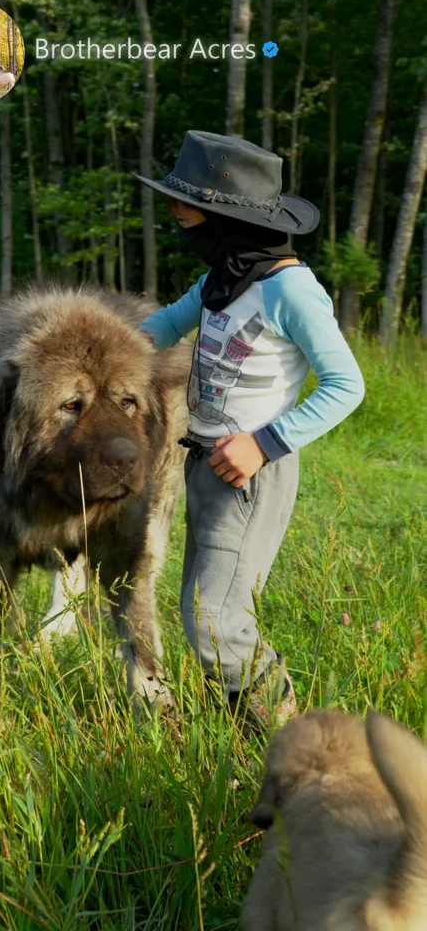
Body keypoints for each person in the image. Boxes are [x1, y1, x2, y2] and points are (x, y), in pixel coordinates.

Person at [133, 131, 365, 730]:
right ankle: (244, 732)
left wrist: (262, 444)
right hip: (202, 464)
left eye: (185, 206)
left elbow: (347, 385)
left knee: (215, 618)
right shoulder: (222, 279)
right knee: (204, 612)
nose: (176, 216)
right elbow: (161, 326)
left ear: (223, 214)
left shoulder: (290, 288)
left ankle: (288, 738)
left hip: (251, 473)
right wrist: (96, 349)